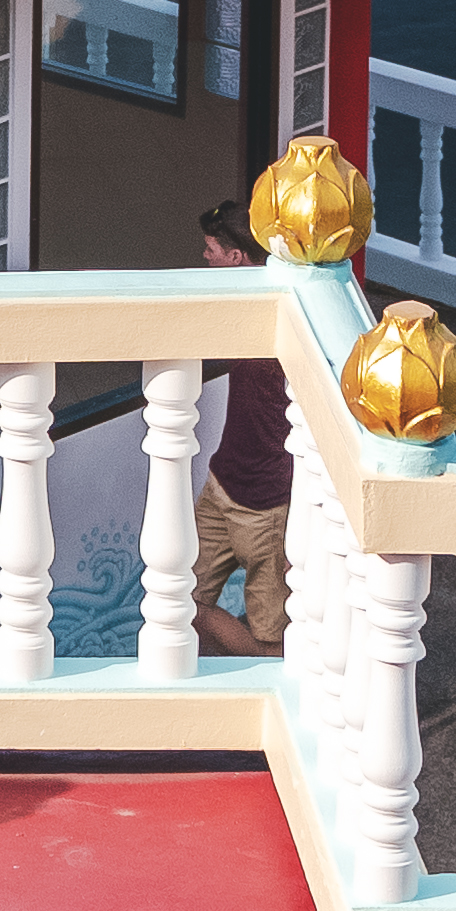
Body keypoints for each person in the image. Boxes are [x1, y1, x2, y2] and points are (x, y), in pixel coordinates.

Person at [186, 212, 294, 654]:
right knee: (176, 600)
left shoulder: (280, 318)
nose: (204, 257)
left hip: (267, 508)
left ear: (234, 257)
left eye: (211, 251)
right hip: (222, 484)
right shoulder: (241, 301)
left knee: (270, 640)